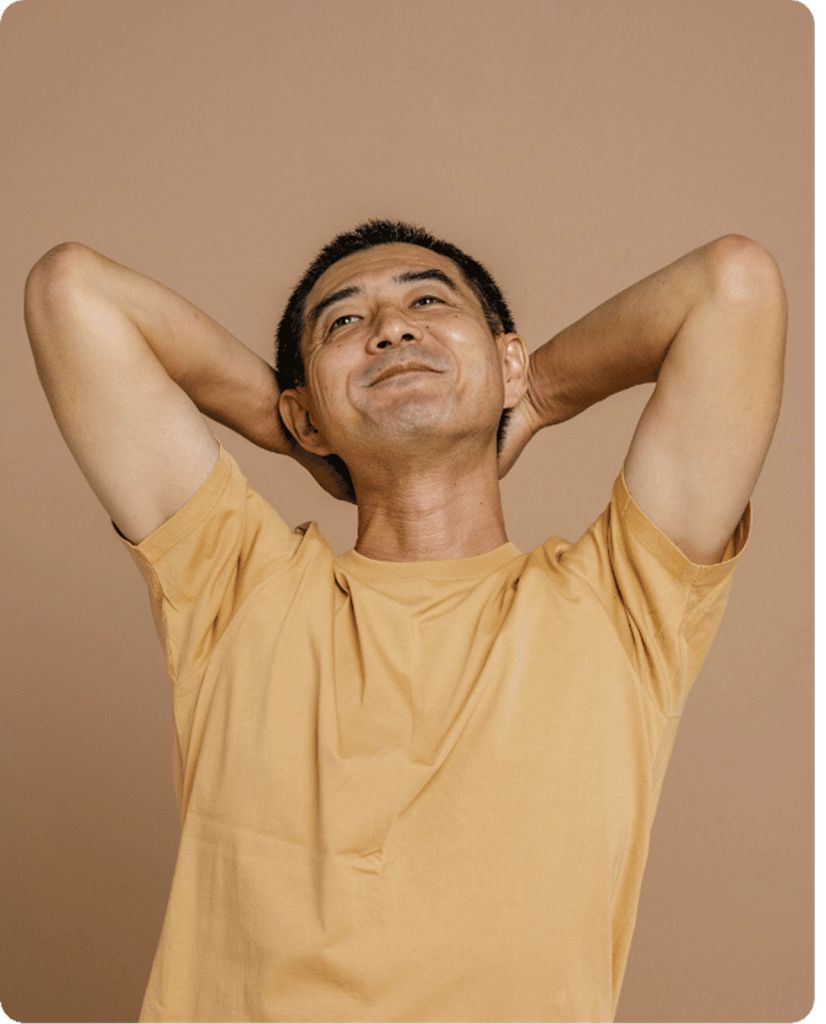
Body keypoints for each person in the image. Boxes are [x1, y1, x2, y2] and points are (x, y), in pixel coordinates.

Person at [24, 220, 786, 1024]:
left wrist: (536, 392)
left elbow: (732, 286)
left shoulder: (621, 602)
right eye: (345, 322)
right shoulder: (236, 588)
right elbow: (69, 293)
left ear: (507, 362)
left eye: (428, 301)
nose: (391, 327)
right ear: (304, 412)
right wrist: (297, 430)